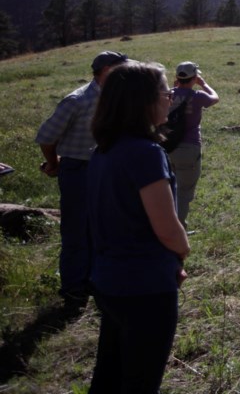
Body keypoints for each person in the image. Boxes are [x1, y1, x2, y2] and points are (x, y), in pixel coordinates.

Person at [87, 61, 189, 393]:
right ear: (143, 101)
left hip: (109, 279)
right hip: (145, 287)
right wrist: (182, 250)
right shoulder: (146, 154)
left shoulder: (103, 150)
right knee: (140, 381)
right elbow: (166, 228)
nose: (170, 100)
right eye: (165, 93)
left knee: (110, 375)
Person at [36, 50, 128, 308]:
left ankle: (93, 279)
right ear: (105, 71)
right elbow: (47, 137)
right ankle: (74, 289)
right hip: (78, 170)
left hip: (107, 167)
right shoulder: (77, 101)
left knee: (100, 227)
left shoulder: (118, 97)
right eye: (121, 69)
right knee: (76, 229)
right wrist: (54, 162)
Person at [167, 61, 219, 229]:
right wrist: (204, 85)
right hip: (189, 148)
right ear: (195, 78)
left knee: (170, 189)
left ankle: (166, 226)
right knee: (184, 192)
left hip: (167, 147)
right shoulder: (198, 96)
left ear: (177, 78)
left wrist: (174, 88)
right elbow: (215, 98)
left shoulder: (168, 94)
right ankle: (177, 230)